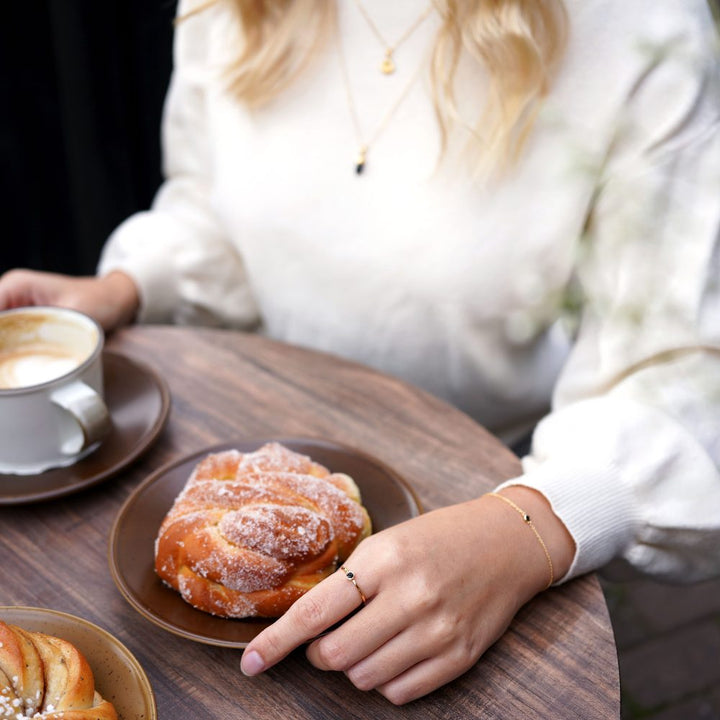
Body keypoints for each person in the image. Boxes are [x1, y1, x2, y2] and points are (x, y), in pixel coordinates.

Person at [2, 0, 720, 705]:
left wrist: (527, 529)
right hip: (257, 428)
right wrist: (125, 286)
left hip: (487, 486)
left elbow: (683, 369)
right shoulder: (235, 8)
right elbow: (210, 207)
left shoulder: (637, 28)